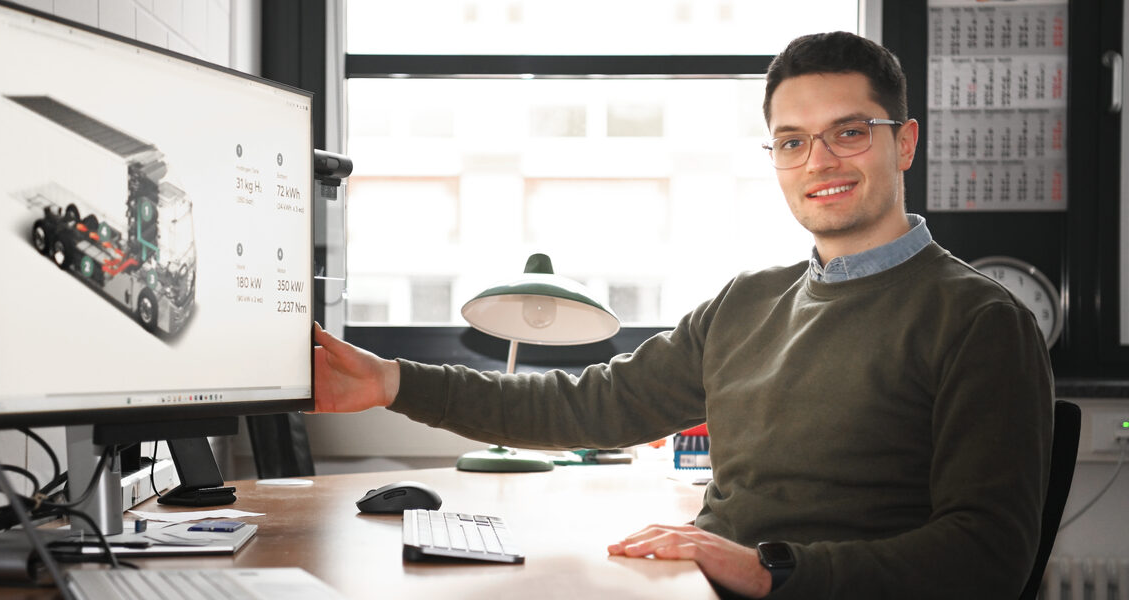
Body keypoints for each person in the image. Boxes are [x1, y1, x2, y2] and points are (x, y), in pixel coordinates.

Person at [311, 31, 1053, 599]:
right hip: (705, 586)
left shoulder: (980, 321)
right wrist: (392, 382)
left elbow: (987, 554)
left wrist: (770, 571)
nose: (820, 160)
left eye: (849, 131)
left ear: (906, 142)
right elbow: (587, 405)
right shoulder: (748, 303)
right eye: (793, 142)